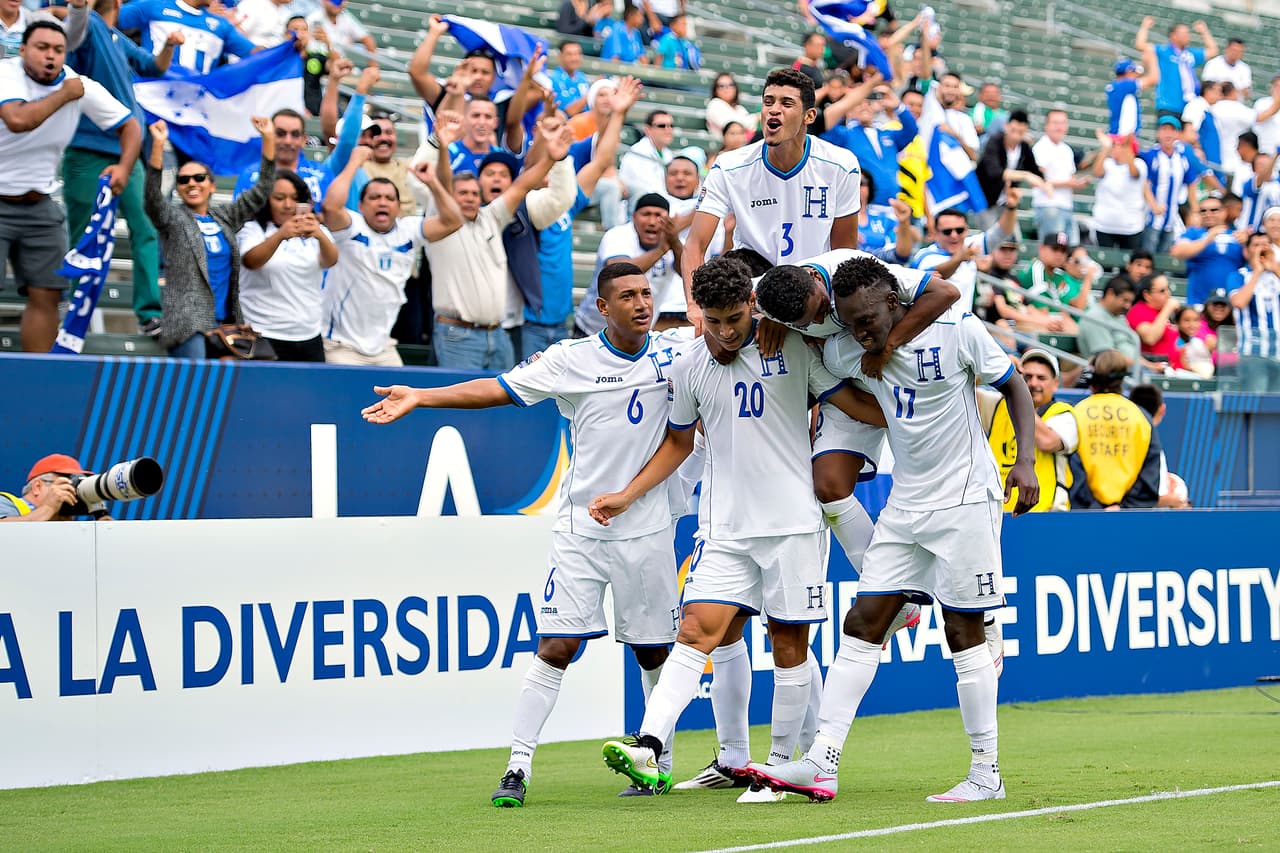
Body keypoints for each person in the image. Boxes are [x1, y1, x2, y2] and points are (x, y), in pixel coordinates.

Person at [361, 261, 693, 807]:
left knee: (653, 652)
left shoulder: (675, 352)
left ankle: (656, 764)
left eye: (645, 293)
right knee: (556, 646)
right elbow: (495, 389)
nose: (641, 304)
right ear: (602, 308)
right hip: (581, 529)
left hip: (649, 530)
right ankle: (517, 766)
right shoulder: (569, 358)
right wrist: (422, 396)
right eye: (627, 297)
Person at [587, 256, 887, 796]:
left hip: (792, 526)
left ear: (753, 303)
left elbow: (851, 402)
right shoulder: (689, 366)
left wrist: (919, 415)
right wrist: (629, 495)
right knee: (694, 633)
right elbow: (679, 442)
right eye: (713, 321)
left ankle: (776, 768)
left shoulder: (793, 346)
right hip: (723, 529)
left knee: (788, 645)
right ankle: (649, 745)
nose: (725, 332)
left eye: (734, 318)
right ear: (699, 313)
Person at [749, 254, 1039, 803]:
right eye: (851, 324)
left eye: (869, 322)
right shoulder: (845, 350)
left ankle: (986, 773)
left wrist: (1023, 462)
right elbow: (820, 363)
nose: (861, 333)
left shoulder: (957, 329)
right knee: (862, 621)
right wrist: (778, 326)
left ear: (894, 301)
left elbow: (1015, 387)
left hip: (965, 499)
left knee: (961, 632)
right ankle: (823, 760)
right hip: (906, 505)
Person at [684, 67, 863, 331]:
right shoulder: (729, 166)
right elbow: (695, 245)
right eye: (768, 102)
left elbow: (843, 253)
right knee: (719, 337)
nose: (773, 110)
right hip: (753, 289)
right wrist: (694, 305)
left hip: (814, 290)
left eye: (786, 103)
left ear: (809, 116)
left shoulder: (841, 164)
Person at [1, 20, 140, 354]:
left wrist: (124, 167)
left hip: (40, 202)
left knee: (47, 293)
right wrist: (64, 94)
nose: (50, 56)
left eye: (58, 50)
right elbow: (18, 120)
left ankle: (39, 375)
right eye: (42, 48)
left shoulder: (80, 85)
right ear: (23, 50)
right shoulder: (6, 73)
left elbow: (131, 126)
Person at [61, 0, 173, 341]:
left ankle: (149, 313)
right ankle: (76, 314)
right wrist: (75, 9)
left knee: (145, 229)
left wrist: (170, 45)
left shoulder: (116, 37)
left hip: (128, 151)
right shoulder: (88, 22)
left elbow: (155, 67)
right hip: (86, 148)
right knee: (83, 235)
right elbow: (71, 29)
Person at [427, 123, 571, 370]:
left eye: (474, 193)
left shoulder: (492, 217)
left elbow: (522, 186)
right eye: (462, 193)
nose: (470, 198)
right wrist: (442, 148)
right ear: (449, 198)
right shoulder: (440, 225)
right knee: (458, 395)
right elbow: (441, 182)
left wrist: (552, 158)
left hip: (498, 334)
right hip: (457, 335)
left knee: (503, 395)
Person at [145, 117, 274, 358]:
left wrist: (268, 139)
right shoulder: (174, 219)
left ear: (212, 185)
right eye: (183, 180)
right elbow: (152, 198)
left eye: (199, 178)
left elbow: (262, 190)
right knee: (194, 381)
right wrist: (158, 146)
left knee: (228, 383)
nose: (191, 183)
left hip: (226, 324)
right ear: (178, 188)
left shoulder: (225, 217)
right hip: (189, 326)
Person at [322, 146, 460, 366]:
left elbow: (453, 221)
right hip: (341, 346)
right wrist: (354, 163)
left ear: (398, 207)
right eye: (374, 197)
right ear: (361, 206)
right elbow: (330, 206)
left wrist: (433, 182)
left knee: (399, 387)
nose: (382, 202)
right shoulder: (351, 228)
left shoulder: (408, 231)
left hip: (383, 347)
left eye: (389, 198)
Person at [236, 169, 337, 362]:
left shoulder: (316, 230)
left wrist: (320, 234)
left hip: (309, 333)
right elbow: (251, 261)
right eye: (279, 198)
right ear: (266, 200)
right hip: (263, 332)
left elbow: (330, 260)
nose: (288, 205)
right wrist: (281, 235)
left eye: (294, 198)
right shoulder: (253, 229)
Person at [980, 348, 1076, 512]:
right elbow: (957, 388)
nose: (1033, 383)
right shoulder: (996, 404)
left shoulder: (1064, 414)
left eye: (1041, 378)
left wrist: (1017, 396)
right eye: (1027, 377)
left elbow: (1047, 442)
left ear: (1055, 384)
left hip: (1047, 514)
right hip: (997, 512)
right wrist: (996, 367)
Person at [575, 193, 682, 336]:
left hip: (636, 335)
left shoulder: (673, 242)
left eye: (658, 215)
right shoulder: (618, 235)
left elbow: (688, 274)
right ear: (634, 217)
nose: (652, 221)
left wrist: (675, 243)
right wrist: (662, 249)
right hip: (593, 330)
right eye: (646, 214)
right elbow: (620, 273)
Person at [1069, 349, 1162, 510]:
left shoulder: (1076, 413)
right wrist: (1124, 508)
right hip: (1129, 516)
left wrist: (1095, 508)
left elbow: (1071, 468)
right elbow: (1149, 472)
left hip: (1084, 515)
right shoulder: (1140, 416)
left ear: (1091, 377)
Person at [909, 189, 1021, 311]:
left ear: (967, 230)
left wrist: (1011, 207)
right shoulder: (926, 256)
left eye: (959, 230)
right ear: (935, 233)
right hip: (933, 321)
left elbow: (1001, 232)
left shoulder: (968, 246)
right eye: (947, 231)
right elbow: (938, 275)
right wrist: (959, 258)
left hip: (963, 319)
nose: (954, 235)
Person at [824, 83, 917, 207]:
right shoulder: (845, 134)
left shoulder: (888, 134)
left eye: (868, 103)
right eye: (858, 104)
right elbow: (827, 129)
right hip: (861, 206)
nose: (864, 107)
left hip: (891, 205)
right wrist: (844, 104)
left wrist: (897, 106)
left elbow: (911, 130)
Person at [118, 0, 256, 76]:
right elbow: (109, 17)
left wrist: (277, 51)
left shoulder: (221, 25)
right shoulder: (153, 6)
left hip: (194, 106)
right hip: (151, 97)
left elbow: (256, 53)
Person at [1141, 116, 1214, 255]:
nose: (1167, 134)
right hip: (1151, 217)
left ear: (1178, 134)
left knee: (1167, 255)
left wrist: (1195, 212)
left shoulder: (1183, 158)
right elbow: (1145, 185)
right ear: (1158, 133)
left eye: (1172, 130)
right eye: (1164, 129)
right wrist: (1154, 206)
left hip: (1172, 218)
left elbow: (1191, 184)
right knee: (1148, 253)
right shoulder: (1151, 156)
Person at [234, 108, 331, 209]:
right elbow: (240, 215)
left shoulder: (322, 175)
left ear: (303, 140)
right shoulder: (250, 175)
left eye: (295, 134)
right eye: (280, 134)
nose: (288, 141)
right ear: (270, 136)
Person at [1227, 230, 1280, 392]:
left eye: (1265, 245)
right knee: (1257, 400)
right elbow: (1239, 302)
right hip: (1252, 353)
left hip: (1278, 352)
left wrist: (1275, 268)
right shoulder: (1238, 276)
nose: (1262, 249)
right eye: (1256, 245)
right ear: (1246, 251)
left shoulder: (1277, 274)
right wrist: (1257, 271)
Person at [1136, 16, 1218, 120]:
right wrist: (1145, 27)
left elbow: (1213, 51)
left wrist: (1204, 32)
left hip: (1188, 106)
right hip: (1168, 105)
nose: (1188, 36)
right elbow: (1140, 45)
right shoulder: (1164, 51)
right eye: (1184, 34)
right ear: (1173, 35)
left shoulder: (1190, 54)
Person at [1171, 193, 1244, 307]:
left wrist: (1247, 242)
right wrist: (1208, 238)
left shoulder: (1236, 235)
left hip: (1231, 303)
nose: (1208, 214)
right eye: (1203, 211)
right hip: (1199, 302)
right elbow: (1177, 251)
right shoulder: (1194, 233)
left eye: (1213, 210)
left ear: (1224, 212)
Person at [1091, 131, 1153, 250]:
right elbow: (1097, 172)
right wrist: (1106, 148)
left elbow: (1134, 173)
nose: (1115, 149)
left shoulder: (1139, 164)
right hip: (1105, 225)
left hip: (1131, 227)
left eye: (1119, 146)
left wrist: (1127, 147)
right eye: (1114, 146)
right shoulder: (1108, 164)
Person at [1030, 109, 1085, 243]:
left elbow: (1070, 178)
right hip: (1048, 205)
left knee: (1070, 248)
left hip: (1066, 205)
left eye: (1062, 123)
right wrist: (1068, 183)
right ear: (1046, 125)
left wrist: (1076, 183)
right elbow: (1037, 179)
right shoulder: (1041, 147)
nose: (1059, 127)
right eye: (1055, 123)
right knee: (1053, 247)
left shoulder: (1066, 149)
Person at [975, 109, 1042, 218]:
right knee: (990, 228)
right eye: (1013, 130)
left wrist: (1044, 181)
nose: (1016, 135)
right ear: (1006, 126)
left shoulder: (1024, 147)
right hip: (985, 199)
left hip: (1006, 201)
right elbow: (994, 172)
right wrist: (1025, 175)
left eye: (1020, 132)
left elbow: (1035, 170)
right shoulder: (995, 142)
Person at [1077, 275, 1146, 369]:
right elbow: (1107, 359)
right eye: (1125, 300)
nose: (1128, 306)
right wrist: (1148, 367)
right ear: (1110, 293)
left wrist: (1152, 366)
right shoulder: (1094, 317)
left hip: (1135, 370)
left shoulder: (1119, 318)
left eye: (1130, 302)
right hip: (1113, 373)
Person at [0, 454, 91, 522]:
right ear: (37, 487)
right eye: (65, 484)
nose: (71, 492)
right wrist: (48, 508)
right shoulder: (4, 502)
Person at [618, 110, 674, 213]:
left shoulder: (668, 154)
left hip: (662, 204)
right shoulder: (637, 154)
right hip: (639, 209)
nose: (668, 130)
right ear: (648, 130)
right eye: (662, 126)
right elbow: (650, 189)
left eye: (671, 126)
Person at [1128, 272, 1182, 367]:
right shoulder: (1138, 311)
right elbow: (1150, 338)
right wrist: (1168, 308)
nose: (1168, 294)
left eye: (1168, 289)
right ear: (1147, 295)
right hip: (1157, 368)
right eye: (1162, 291)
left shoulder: (1162, 310)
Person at [306, 0, 376, 63]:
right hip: (323, 64)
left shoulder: (345, 17)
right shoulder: (313, 20)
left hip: (340, 64)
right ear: (324, 1)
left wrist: (373, 67)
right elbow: (326, 57)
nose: (338, 4)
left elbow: (368, 39)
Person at [1106, 57, 1157, 138]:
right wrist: (1152, 58)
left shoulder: (1115, 86)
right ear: (1128, 72)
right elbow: (1153, 79)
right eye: (1133, 72)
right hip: (1123, 137)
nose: (1136, 76)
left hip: (1116, 134)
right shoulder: (1126, 85)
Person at [705, 73, 757, 142]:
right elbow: (732, 127)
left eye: (731, 84)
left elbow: (752, 128)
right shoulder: (714, 104)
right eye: (721, 86)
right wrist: (756, 118)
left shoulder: (740, 108)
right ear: (715, 89)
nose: (726, 88)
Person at [549, 40, 590, 116]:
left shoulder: (582, 77)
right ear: (560, 56)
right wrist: (593, 91)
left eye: (577, 54)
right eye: (569, 54)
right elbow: (569, 111)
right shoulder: (553, 79)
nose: (574, 58)